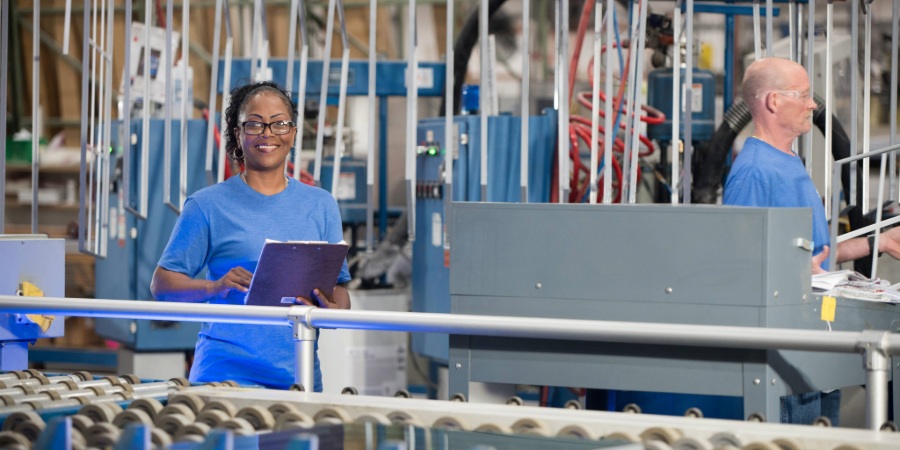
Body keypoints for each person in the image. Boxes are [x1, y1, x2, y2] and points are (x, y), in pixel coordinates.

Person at [724, 57, 900, 425]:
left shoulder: (788, 161)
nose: (813, 104)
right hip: (787, 351)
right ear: (773, 101)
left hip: (816, 340)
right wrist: (791, 271)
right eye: (803, 95)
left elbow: (815, 255)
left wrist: (878, 242)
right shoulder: (756, 171)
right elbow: (740, 266)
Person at [150, 80, 351, 392]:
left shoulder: (321, 205)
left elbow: (338, 292)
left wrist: (335, 312)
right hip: (224, 376)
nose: (268, 133)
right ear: (237, 134)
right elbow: (161, 285)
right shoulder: (207, 205)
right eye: (254, 124)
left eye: (279, 123)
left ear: (294, 133)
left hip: (299, 378)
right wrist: (214, 287)